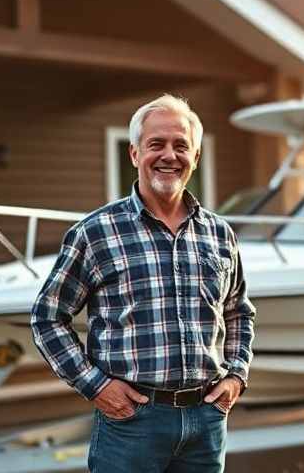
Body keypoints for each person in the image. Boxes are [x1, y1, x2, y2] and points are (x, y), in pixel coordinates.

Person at [31, 94, 256, 473]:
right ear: (135, 154)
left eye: (181, 145)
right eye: (156, 144)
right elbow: (47, 318)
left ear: (196, 158)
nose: (170, 155)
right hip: (131, 423)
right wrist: (95, 385)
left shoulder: (220, 234)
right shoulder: (95, 232)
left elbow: (238, 312)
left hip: (206, 421)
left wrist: (236, 375)